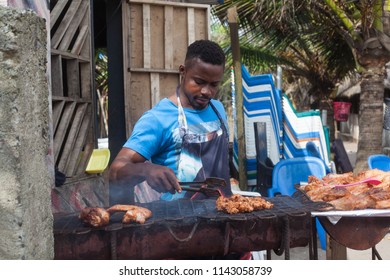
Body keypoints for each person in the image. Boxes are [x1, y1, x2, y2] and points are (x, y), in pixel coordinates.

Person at [109, 39, 233, 204]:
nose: (206, 91)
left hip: (225, 215)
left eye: (214, 84)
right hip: (179, 223)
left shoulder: (218, 109)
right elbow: (116, 170)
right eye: (199, 82)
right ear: (183, 71)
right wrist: (146, 169)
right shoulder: (158, 119)